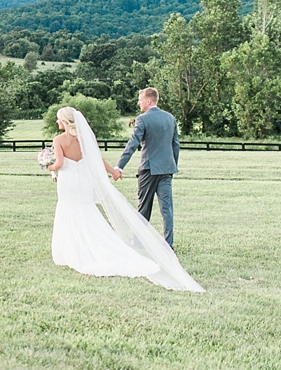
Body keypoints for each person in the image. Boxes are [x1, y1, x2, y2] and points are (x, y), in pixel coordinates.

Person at [46, 106, 203, 291]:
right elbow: (97, 160)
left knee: (68, 211)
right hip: (84, 184)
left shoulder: (58, 140)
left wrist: (48, 166)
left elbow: (60, 163)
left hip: (69, 182)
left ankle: (71, 251)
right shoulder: (84, 139)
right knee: (87, 212)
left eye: (59, 119)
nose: (57, 122)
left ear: (64, 121)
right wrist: (113, 171)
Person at [115, 87, 178, 248]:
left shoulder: (142, 119)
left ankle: (138, 241)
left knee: (144, 206)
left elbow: (133, 144)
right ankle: (168, 243)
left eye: (140, 99)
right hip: (166, 169)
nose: (138, 102)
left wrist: (119, 166)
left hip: (149, 169)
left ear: (148, 101)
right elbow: (175, 145)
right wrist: (172, 165)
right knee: (167, 208)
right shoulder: (170, 118)